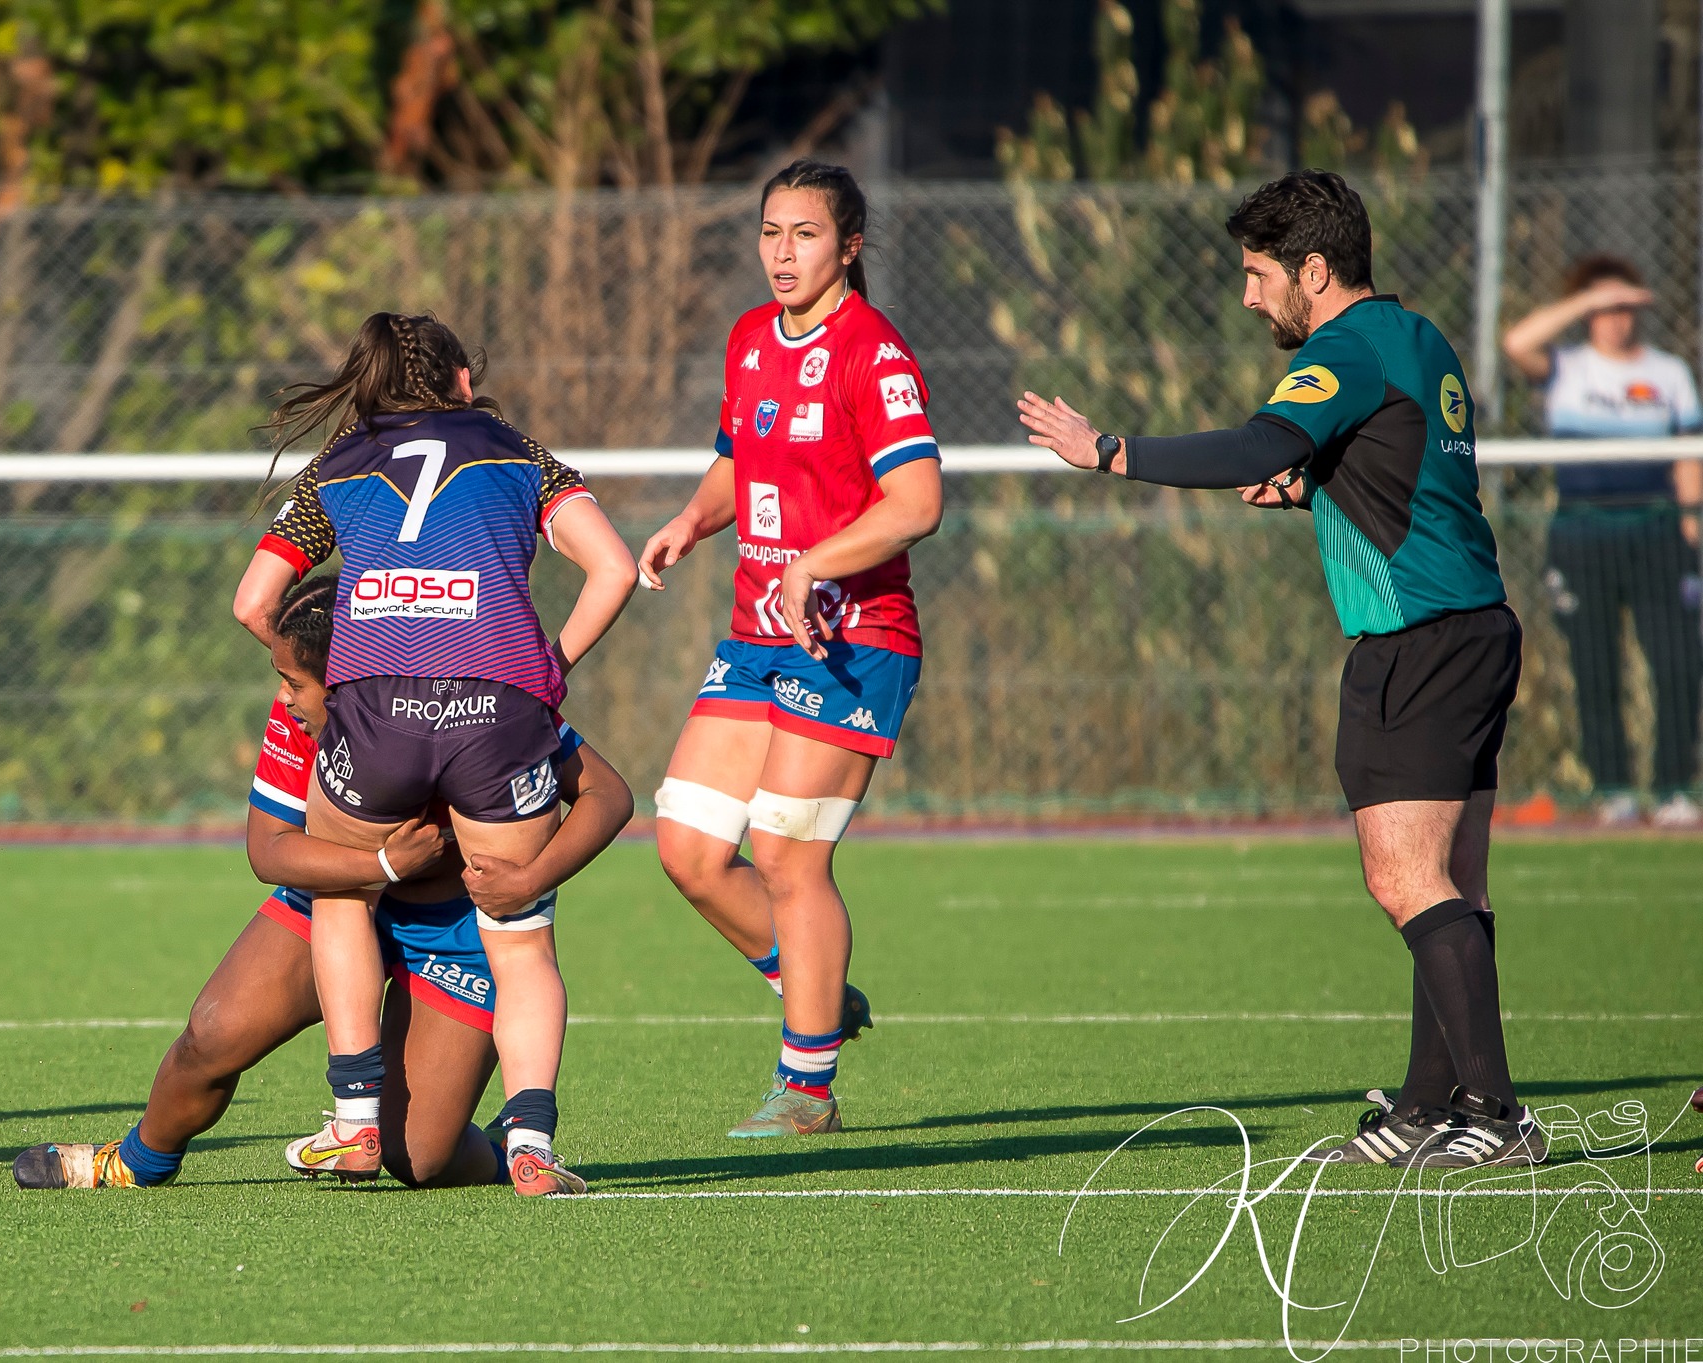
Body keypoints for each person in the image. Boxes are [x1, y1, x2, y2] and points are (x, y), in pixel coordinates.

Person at [1017, 169, 1540, 1170]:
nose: (1249, 295)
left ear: (1313, 267)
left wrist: (1109, 450)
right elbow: (1410, 475)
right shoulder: (1414, 337)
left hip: (1413, 642)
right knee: (1448, 883)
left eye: (1258, 275)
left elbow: (1258, 437)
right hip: (1470, 627)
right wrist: (1315, 490)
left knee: (1402, 880)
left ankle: (1497, 1112)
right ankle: (1431, 1106)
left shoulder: (1340, 350)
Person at [11, 573, 633, 1191]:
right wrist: (382, 867)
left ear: (345, 684)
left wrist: (531, 877)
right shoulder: (299, 724)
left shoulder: (478, 708)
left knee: (419, 1158)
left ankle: (505, 1151)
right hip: (338, 901)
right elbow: (270, 849)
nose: (283, 700)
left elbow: (608, 794)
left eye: (293, 682)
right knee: (213, 1034)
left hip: (456, 931)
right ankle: (135, 1161)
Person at [234, 313, 637, 1195]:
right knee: (520, 942)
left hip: (375, 706)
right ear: (462, 381)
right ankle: (530, 1140)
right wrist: (548, 669)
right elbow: (612, 567)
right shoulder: (518, 450)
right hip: (501, 705)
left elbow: (252, 601)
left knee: (343, 885)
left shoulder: (340, 461)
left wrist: (327, 677)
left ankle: (353, 1120)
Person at [637, 160, 943, 1138]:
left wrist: (814, 564)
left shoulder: (873, 354)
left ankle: (805, 1086)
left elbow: (915, 503)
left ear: (847, 245)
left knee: (784, 853)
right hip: (756, 633)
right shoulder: (747, 340)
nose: (781, 253)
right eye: (770, 232)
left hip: (852, 637)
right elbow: (740, 458)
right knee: (685, 847)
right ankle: (813, 989)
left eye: (804, 234)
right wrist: (689, 520)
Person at [1502, 254, 1703, 828]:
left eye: (1624, 307)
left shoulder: (1668, 374)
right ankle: (1614, 787)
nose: (1617, 319)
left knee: (1676, 661)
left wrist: (1691, 531)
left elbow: (1688, 455)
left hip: (1656, 531)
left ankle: (1673, 788)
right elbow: (1516, 342)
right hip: (1584, 533)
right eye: (1605, 308)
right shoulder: (1567, 367)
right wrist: (1588, 297)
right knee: (1595, 664)